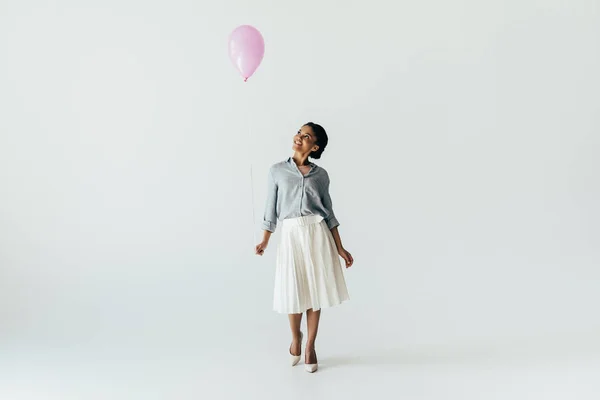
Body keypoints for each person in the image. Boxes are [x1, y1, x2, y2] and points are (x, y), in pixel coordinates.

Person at [255, 122, 353, 373]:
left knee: (314, 291)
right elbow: (270, 209)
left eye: (306, 136)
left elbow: (329, 212)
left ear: (315, 146)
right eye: (299, 132)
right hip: (290, 235)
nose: (299, 137)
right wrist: (265, 239)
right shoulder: (276, 171)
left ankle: (310, 345)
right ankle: (295, 338)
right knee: (293, 289)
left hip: (317, 234)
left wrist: (340, 248)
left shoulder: (321, 176)